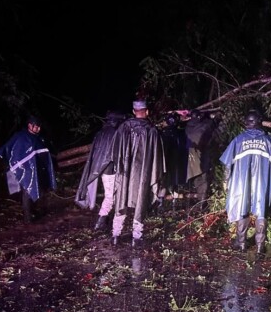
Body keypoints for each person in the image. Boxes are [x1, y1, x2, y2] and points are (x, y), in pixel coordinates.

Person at [220, 109, 271, 254]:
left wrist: (225, 181)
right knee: (262, 211)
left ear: (246, 123)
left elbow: (227, 164)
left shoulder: (238, 140)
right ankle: (260, 247)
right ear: (260, 123)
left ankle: (241, 244)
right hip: (263, 182)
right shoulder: (270, 141)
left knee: (241, 209)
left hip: (241, 183)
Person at [110, 99, 165, 247]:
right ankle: (136, 237)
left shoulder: (123, 128)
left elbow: (114, 152)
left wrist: (120, 166)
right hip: (143, 174)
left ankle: (116, 234)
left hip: (125, 173)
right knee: (141, 200)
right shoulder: (152, 131)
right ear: (147, 112)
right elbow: (157, 159)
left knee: (122, 198)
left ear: (134, 112)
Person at [0, 115, 57, 224]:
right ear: (30, 125)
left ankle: (34, 211)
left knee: (39, 190)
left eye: (40, 127)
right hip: (24, 171)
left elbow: (43, 153)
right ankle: (27, 218)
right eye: (36, 126)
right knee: (27, 192)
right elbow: (7, 148)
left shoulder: (39, 138)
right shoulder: (20, 136)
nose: (38, 129)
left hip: (36, 170)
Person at [74, 110, 126, 229]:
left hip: (102, 170)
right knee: (110, 197)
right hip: (110, 170)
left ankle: (103, 220)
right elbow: (116, 154)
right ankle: (101, 221)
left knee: (110, 195)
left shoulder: (101, 132)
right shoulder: (114, 133)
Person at [185, 108, 218, 206]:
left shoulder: (187, 127)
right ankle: (202, 204)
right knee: (203, 179)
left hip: (190, 158)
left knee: (196, 178)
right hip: (202, 156)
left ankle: (195, 202)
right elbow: (212, 124)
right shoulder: (204, 126)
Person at [157, 111, 188, 209]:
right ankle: (174, 201)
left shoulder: (162, 134)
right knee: (175, 180)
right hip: (176, 162)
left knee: (164, 182)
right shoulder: (180, 133)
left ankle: (161, 203)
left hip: (165, 163)